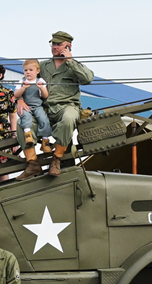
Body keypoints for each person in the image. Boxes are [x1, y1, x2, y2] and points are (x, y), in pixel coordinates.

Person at [38, 31, 95, 177]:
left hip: (68, 106)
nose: (54, 47)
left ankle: (56, 159)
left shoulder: (74, 66)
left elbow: (88, 79)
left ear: (68, 47)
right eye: (53, 44)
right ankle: (31, 163)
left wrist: (70, 61)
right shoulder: (43, 66)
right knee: (22, 124)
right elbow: (29, 83)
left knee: (69, 119)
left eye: (58, 44)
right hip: (46, 108)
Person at [14, 58, 52, 180]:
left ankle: (45, 142)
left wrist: (42, 88)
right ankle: (28, 135)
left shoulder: (40, 81)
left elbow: (45, 96)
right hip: (26, 106)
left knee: (44, 119)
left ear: (37, 71)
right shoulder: (22, 81)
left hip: (38, 106)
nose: (28, 72)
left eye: (31, 70)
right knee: (25, 118)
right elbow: (16, 95)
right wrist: (23, 88)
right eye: (26, 70)